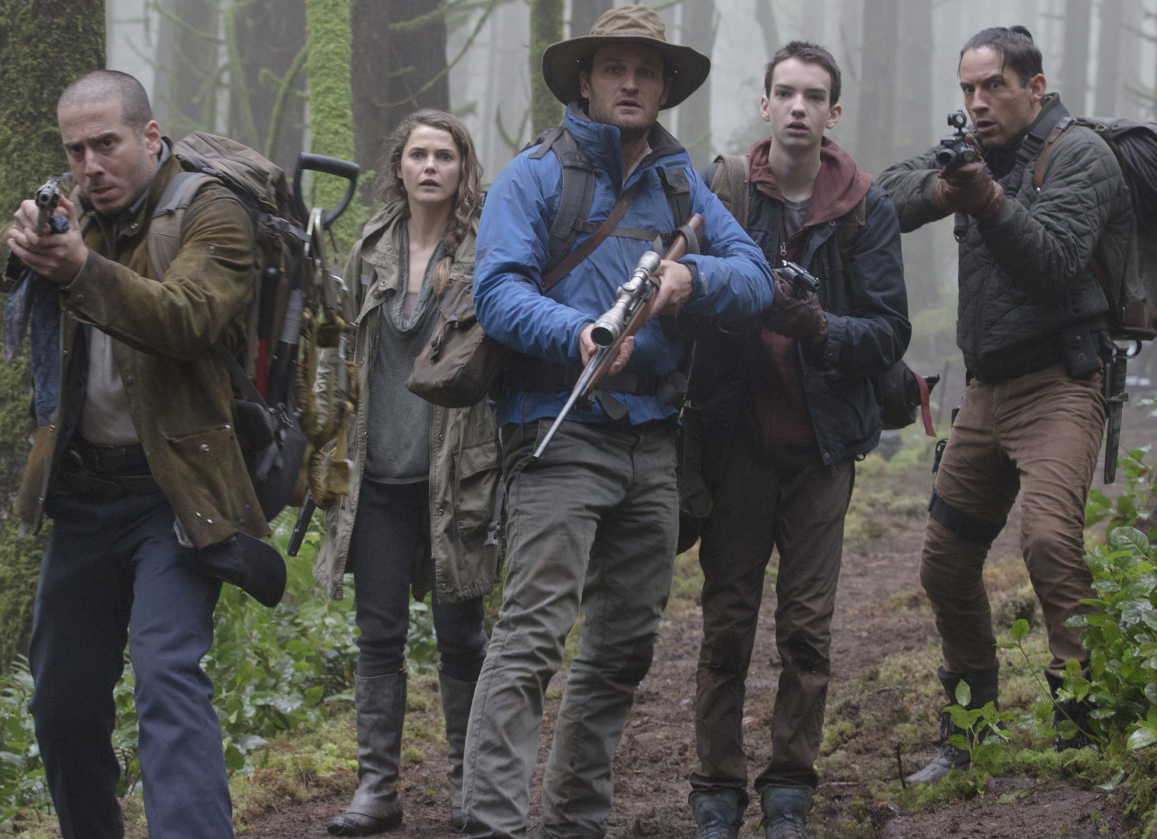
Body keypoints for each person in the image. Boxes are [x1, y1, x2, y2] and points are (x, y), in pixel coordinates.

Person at [458, 6, 776, 839]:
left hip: (654, 442)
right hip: (557, 432)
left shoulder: (681, 184)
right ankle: (491, 826)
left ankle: (575, 823)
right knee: (531, 639)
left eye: (645, 70)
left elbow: (755, 279)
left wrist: (689, 281)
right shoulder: (533, 175)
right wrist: (578, 334)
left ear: (665, 86)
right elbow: (496, 291)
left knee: (623, 648)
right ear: (585, 80)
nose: (629, 83)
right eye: (613, 68)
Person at [2, 70, 278, 838]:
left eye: (107, 144)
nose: (91, 165)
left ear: (150, 137)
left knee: (166, 678)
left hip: (176, 493)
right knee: (61, 703)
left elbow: (186, 318)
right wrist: (21, 247)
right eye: (76, 150)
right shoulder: (71, 214)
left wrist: (80, 270)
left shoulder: (213, 212)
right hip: (83, 496)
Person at [877, 26, 1130, 783]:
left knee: (1049, 542)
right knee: (944, 561)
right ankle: (969, 728)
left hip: (1062, 381)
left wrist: (983, 197)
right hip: (985, 390)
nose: (978, 102)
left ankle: (1081, 722)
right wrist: (943, 187)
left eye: (993, 86)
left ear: (1034, 88)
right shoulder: (972, 154)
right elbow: (881, 196)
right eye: (967, 88)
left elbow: (1053, 263)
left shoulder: (1082, 155)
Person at [685, 42, 910, 839]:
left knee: (806, 630)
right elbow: (684, 296)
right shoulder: (724, 191)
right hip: (737, 441)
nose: (797, 107)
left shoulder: (863, 207)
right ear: (764, 103)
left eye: (813, 96)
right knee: (725, 623)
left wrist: (816, 327)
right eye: (784, 92)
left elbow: (888, 332)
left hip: (821, 446)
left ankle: (789, 788)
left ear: (832, 112)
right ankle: (715, 788)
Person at [312, 109, 501, 836]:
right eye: (417, 154)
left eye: (443, 156)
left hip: (458, 475)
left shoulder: (487, 250)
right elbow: (339, 355)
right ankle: (377, 789)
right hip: (378, 477)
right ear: (398, 166)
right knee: (378, 633)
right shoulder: (369, 249)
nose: (429, 167)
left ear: (462, 168)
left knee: (462, 635)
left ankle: (467, 786)